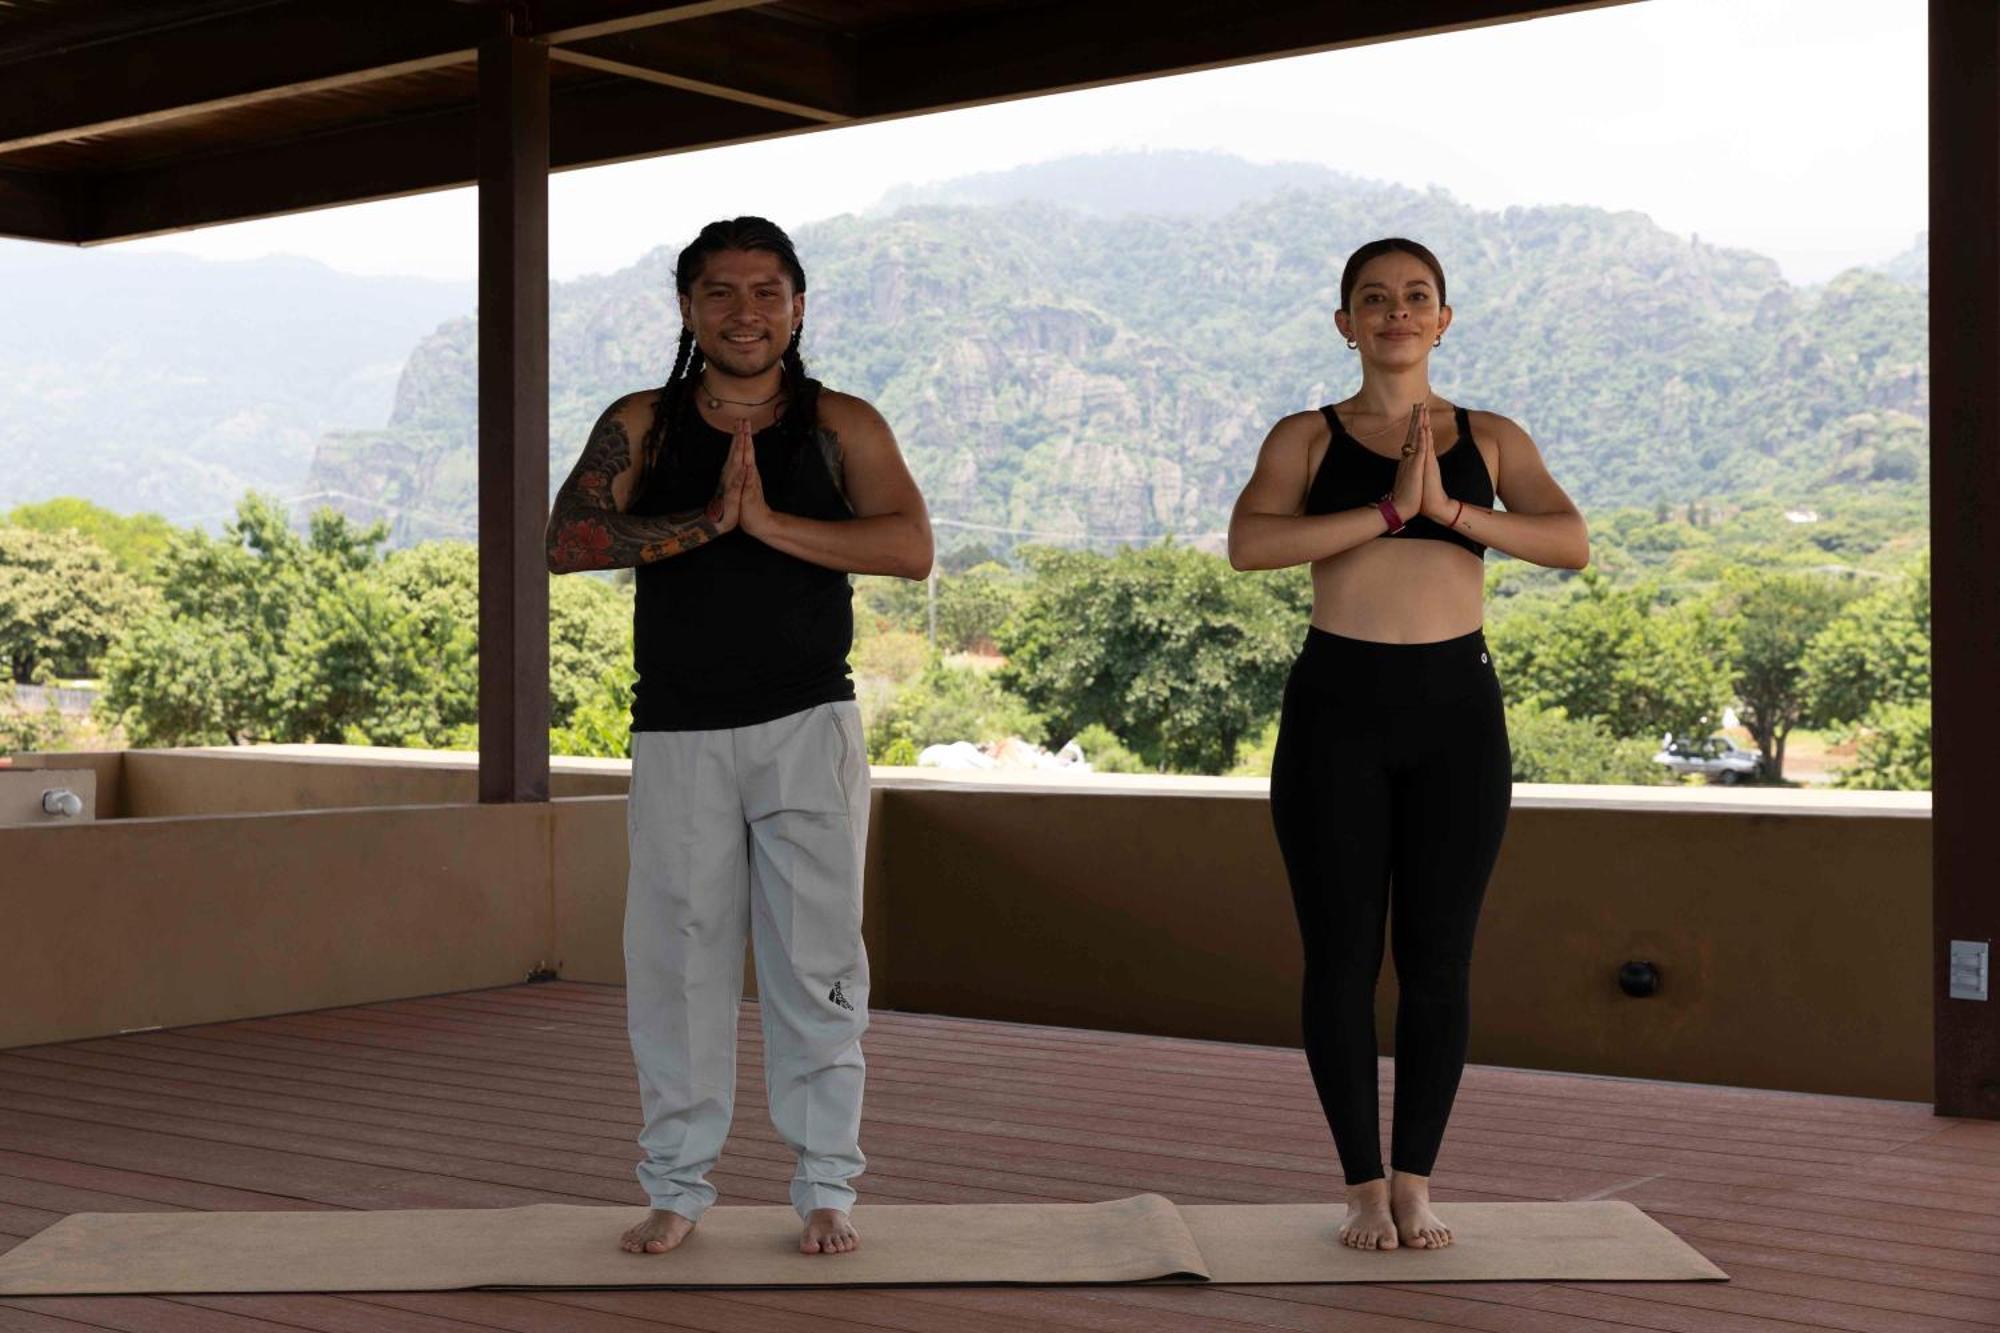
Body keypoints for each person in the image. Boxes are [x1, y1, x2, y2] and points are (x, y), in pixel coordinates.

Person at [545, 216, 933, 1258]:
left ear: (796, 306)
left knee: (816, 963)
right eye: (719, 291)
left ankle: (825, 1186)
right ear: (686, 308)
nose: (744, 311)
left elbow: (908, 545)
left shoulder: (840, 423)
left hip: (808, 720)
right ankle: (676, 1185)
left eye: (766, 290)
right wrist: (703, 525)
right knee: (677, 960)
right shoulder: (643, 420)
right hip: (676, 728)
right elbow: (567, 537)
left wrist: (764, 525)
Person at [1226, 238, 1589, 1252]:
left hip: (1454, 715)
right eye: (1373, 299)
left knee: (1437, 961)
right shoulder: (1304, 437)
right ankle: (1358, 1186)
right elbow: (1249, 543)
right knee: (1339, 960)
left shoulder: (1491, 435)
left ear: (1443, 318)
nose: (1395, 312)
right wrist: (1387, 509)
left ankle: (1415, 1181)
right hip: (1335, 708)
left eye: (1414, 297)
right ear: (1343, 322)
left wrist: (1451, 512)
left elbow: (1567, 541)